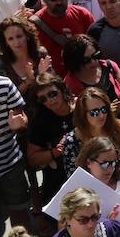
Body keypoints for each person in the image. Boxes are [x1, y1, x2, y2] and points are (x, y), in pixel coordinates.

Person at [25, 74, 75, 208]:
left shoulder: (81, 108)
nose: (50, 101)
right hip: (60, 181)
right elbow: (32, 159)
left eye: (53, 94)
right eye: (43, 99)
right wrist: (54, 152)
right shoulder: (40, 121)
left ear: (62, 89)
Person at [0, 70, 29, 237]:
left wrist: (19, 123)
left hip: (10, 164)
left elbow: (22, 118)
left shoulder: (3, 84)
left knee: (20, 213)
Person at [32, 0, 94, 77]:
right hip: (54, 80)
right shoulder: (35, 24)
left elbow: (96, 46)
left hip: (84, 75)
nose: (59, 2)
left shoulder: (83, 14)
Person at [0, 15, 51, 96]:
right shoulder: (0, 63)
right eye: (10, 39)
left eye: (19, 36)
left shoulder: (40, 54)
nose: (17, 42)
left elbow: (54, 85)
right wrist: (28, 81)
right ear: (5, 42)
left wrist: (43, 76)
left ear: (27, 35)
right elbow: (6, 97)